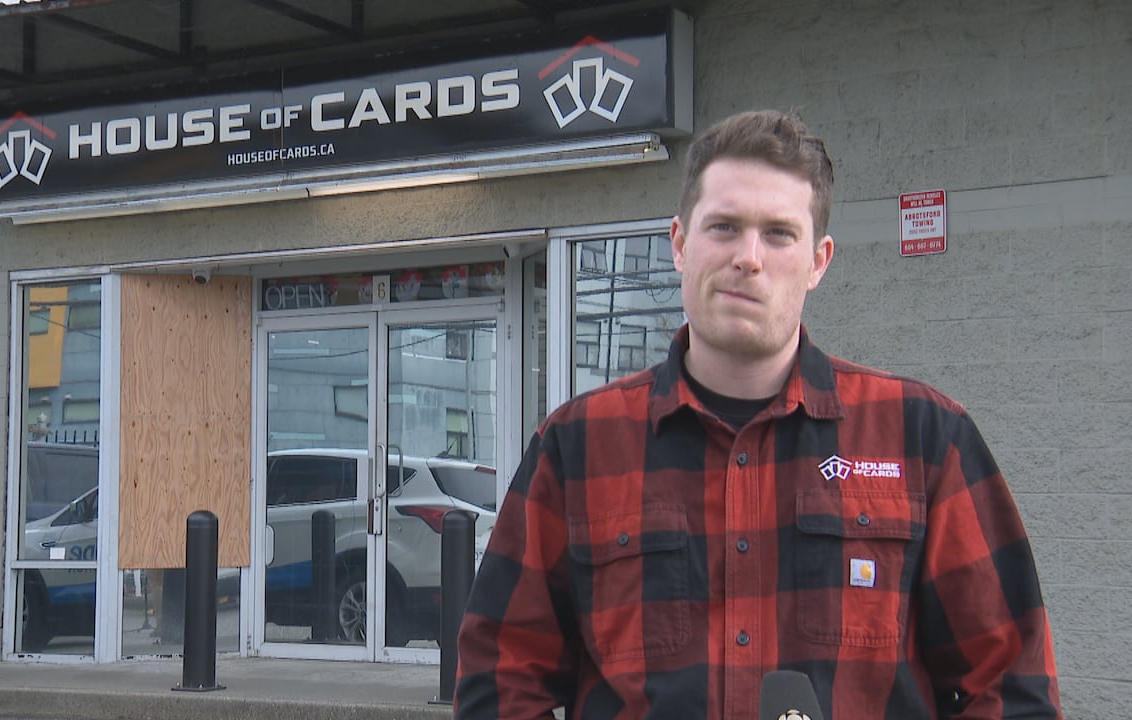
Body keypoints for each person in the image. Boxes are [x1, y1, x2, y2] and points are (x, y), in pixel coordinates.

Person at [454, 110, 1064, 719]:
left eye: (778, 233)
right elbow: (500, 679)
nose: (749, 257)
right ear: (680, 244)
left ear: (819, 261)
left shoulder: (926, 438)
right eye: (724, 226)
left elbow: (1011, 682)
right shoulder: (576, 446)